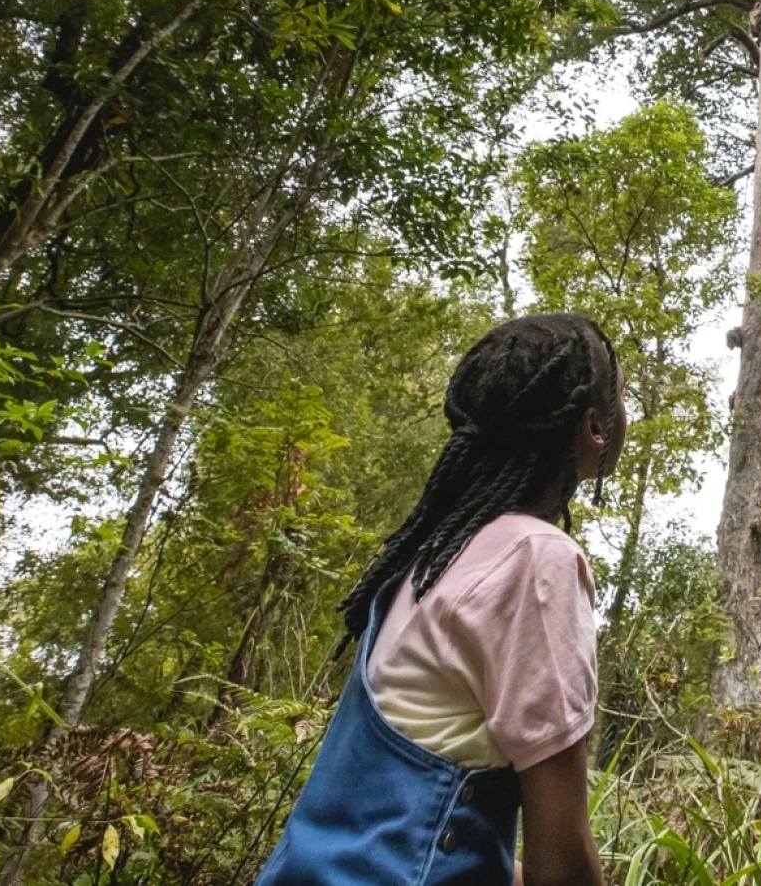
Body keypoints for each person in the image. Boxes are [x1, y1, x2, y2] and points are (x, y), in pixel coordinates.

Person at [258, 312, 622, 886]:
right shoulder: (534, 559)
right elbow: (564, 865)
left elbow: (402, 833)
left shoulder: (427, 562)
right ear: (594, 427)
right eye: (618, 398)